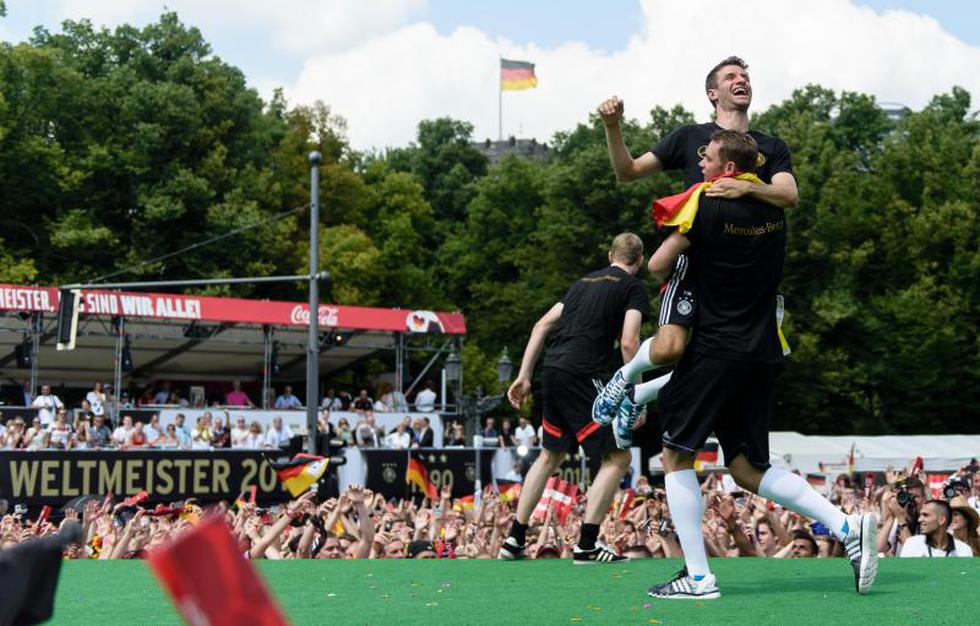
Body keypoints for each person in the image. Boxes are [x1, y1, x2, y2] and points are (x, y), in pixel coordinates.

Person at [614, 131, 876, 599]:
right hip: (761, 351)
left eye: (709, 157)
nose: (701, 163)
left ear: (728, 169)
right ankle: (846, 525)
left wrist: (686, 242)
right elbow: (784, 195)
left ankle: (698, 577)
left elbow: (656, 266)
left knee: (676, 454)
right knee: (746, 468)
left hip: (715, 348)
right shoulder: (774, 212)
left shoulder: (704, 203)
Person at [594, 55, 798, 410]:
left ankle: (642, 395)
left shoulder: (771, 146)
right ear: (712, 93)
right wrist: (612, 126)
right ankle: (625, 378)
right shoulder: (690, 137)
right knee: (670, 348)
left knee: (722, 362)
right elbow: (627, 172)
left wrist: (747, 187)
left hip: (746, 276)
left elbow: (789, 195)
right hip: (696, 264)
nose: (742, 80)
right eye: (731, 76)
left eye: (745, 76)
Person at [500, 232, 650, 564]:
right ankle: (587, 545)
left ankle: (514, 539)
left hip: (552, 370)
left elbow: (541, 325)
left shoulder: (581, 283)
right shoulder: (633, 288)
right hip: (584, 373)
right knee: (618, 458)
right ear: (639, 260)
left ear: (610, 255)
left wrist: (524, 376)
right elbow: (630, 342)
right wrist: (636, 395)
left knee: (549, 456)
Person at [900, 500, 973, 557]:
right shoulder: (912, 544)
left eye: (925, 515)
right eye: (920, 515)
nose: (919, 519)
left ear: (941, 520)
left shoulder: (963, 550)